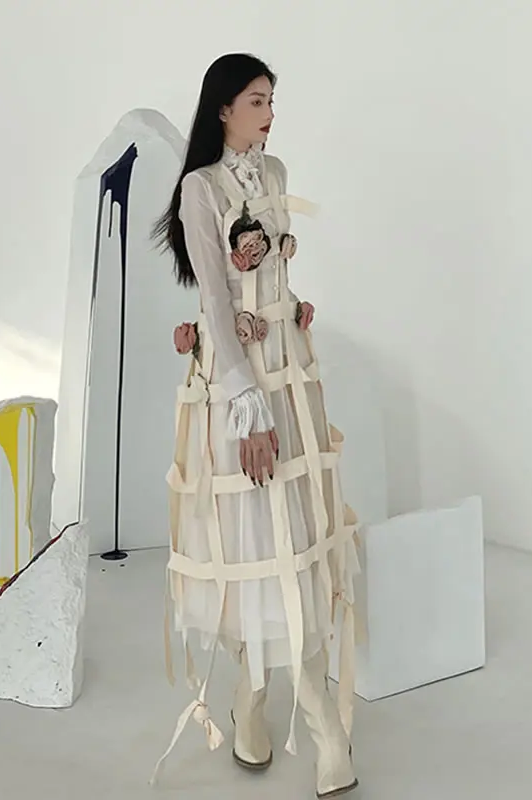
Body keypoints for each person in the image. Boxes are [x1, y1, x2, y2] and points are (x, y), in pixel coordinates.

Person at [151, 53, 361, 798]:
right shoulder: (199, 189)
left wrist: (292, 308)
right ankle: (256, 699)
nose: (269, 114)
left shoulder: (273, 175)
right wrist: (246, 403)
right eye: (257, 100)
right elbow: (215, 297)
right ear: (223, 108)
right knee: (249, 537)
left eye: (272, 100)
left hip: (289, 369)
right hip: (238, 380)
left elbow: (272, 274)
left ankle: (315, 716)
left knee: (297, 534)